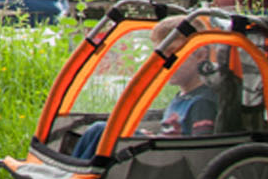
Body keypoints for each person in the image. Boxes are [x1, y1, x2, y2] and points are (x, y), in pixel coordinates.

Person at [70, 19, 222, 161]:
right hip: (160, 155)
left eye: (173, 52)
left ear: (200, 55)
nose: (164, 62)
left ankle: (78, 177)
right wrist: (153, 136)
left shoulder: (202, 103)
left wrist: (154, 140)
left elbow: (200, 151)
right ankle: (74, 173)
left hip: (168, 165)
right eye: (161, 54)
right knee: (98, 131)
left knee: (101, 130)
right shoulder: (182, 97)